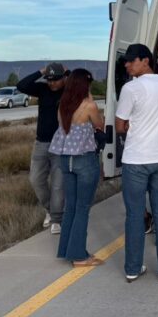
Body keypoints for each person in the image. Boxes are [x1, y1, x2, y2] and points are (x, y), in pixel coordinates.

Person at [114, 43, 158, 283]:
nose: (127, 64)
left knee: (135, 215)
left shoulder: (130, 88)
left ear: (145, 60)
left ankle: (133, 269)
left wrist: (133, 126)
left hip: (136, 159)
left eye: (131, 60)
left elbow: (120, 125)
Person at [48, 69, 104, 267]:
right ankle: (79, 256)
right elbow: (99, 125)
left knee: (70, 206)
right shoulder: (89, 105)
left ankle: (67, 249)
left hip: (66, 159)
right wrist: (90, 98)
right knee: (82, 208)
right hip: (84, 159)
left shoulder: (62, 105)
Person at [17, 63, 69, 235]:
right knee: (36, 180)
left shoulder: (68, 91)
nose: (51, 83)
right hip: (41, 144)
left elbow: (83, 84)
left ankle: (56, 219)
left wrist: (68, 73)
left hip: (61, 145)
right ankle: (50, 210)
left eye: (55, 80)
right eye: (49, 79)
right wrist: (41, 71)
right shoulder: (42, 89)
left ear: (63, 78)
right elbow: (21, 85)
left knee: (57, 185)